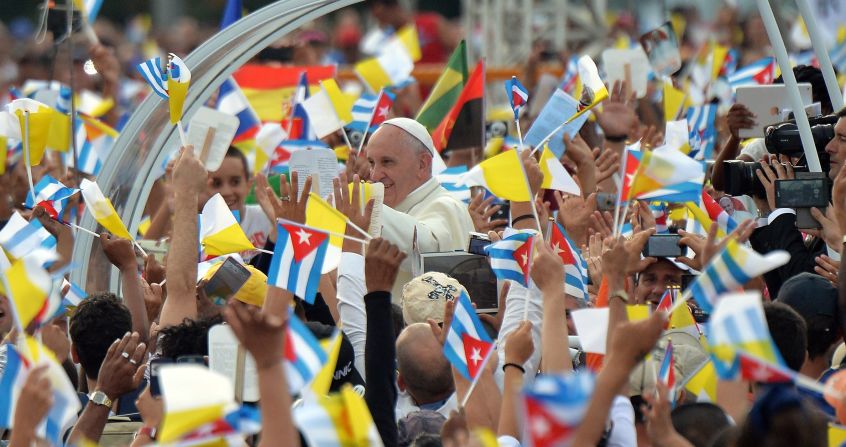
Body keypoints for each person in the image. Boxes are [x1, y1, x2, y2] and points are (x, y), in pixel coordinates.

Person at [366, 117, 475, 296]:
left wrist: (367, 207)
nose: (375, 175)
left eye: (387, 162)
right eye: (371, 163)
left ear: (422, 165)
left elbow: (425, 250)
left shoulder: (446, 206)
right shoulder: (393, 207)